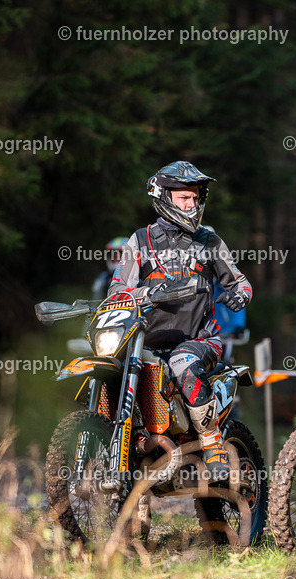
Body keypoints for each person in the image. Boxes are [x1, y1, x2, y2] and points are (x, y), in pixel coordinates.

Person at [108, 161, 252, 482]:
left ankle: (212, 442)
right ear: (163, 196)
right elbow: (118, 288)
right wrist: (138, 293)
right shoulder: (140, 240)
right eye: (184, 198)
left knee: (181, 362)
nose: (192, 204)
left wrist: (239, 295)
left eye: (195, 198)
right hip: (145, 340)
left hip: (200, 339)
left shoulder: (210, 242)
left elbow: (239, 282)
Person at [92, 236, 129, 301]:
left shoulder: (138, 277)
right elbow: (95, 304)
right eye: (113, 256)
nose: (115, 259)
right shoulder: (103, 279)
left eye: (119, 256)